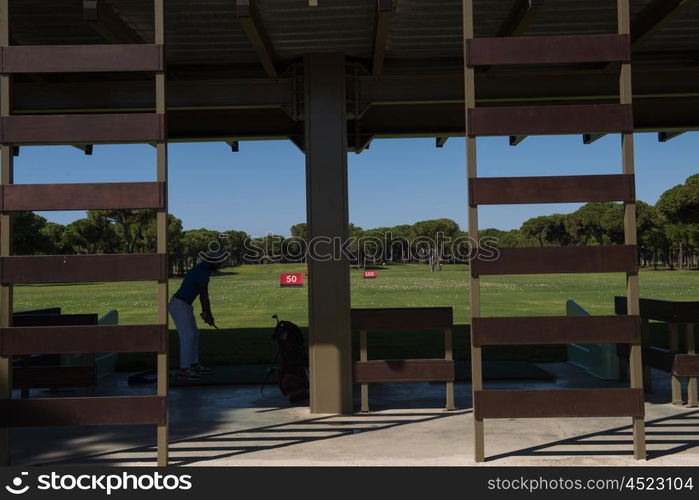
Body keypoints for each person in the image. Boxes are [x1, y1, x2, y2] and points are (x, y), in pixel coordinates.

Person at [169, 257, 223, 381]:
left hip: (185, 305)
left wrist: (207, 313)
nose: (220, 265)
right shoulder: (202, 271)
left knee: (194, 334)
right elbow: (204, 296)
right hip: (179, 305)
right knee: (187, 336)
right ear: (212, 261)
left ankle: (194, 365)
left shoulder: (204, 269)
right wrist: (208, 314)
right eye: (218, 263)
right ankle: (185, 370)